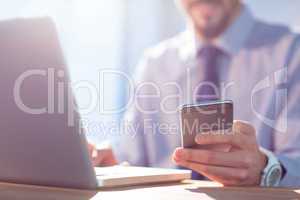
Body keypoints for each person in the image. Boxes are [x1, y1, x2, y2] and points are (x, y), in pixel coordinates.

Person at [89, 0, 300, 187]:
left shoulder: (292, 53)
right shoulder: (154, 64)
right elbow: (132, 157)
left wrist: (266, 169)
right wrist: (111, 163)